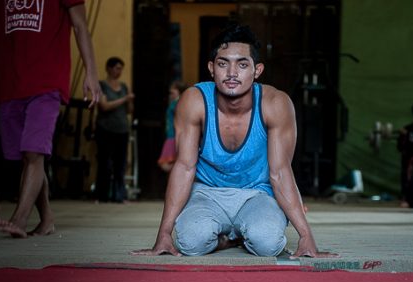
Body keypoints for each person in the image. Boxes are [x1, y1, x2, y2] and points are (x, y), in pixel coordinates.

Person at [133, 24, 334, 258]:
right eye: (222, 63)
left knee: (267, 244)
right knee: (190, 243)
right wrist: (164, 234)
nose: (231, 73)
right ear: (211, 68)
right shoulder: (194, 101)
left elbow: (280, 172)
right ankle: (227, 241)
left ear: (257, 70)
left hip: (257, 192)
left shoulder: (275, 103)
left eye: (242, 64)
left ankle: (245, 234)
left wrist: (306, 236)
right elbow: (184, 167)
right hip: (207, 192)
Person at [0, 0, 101, 237]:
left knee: (34, 152)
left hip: (47, 82)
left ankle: (19, 219)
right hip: (10, 83)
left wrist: (91, 73)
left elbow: (80, 26)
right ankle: (46, 220)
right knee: (27, 157)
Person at [94, 57, 133, 203]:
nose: (119, 72)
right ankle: (102, 195)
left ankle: (119, 196)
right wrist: (124, 99)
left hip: (122, 129)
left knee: (120, 164)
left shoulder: (124, 86)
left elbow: (129, 110)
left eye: (121, 69)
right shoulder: (102, 85)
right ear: (109, 68)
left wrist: (129, 101)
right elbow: (103, 106)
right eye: (117, 68)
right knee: (105, 163)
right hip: (105, 129)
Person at [157, 80, 188, 173]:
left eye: (173, 89)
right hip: (171, 134)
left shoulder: (179, 102)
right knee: (170, 162)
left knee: (166, 164)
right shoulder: (176, 101)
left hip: (173, 136)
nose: (171, 92)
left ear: (179, 90)